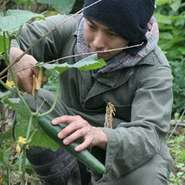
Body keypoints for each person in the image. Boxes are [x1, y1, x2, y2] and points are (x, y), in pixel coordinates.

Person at [9, 0, 173, 184]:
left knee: (147, 179)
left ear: (133, 37)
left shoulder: (154, 69)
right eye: (92, 26)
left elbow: (149, 134)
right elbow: (10, 36)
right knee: (32, 106)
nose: (96, 43)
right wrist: (14, 53)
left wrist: (101, 135)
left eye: (112, 33)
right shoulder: (70, 27)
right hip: (70, 133)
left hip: (122, 149)